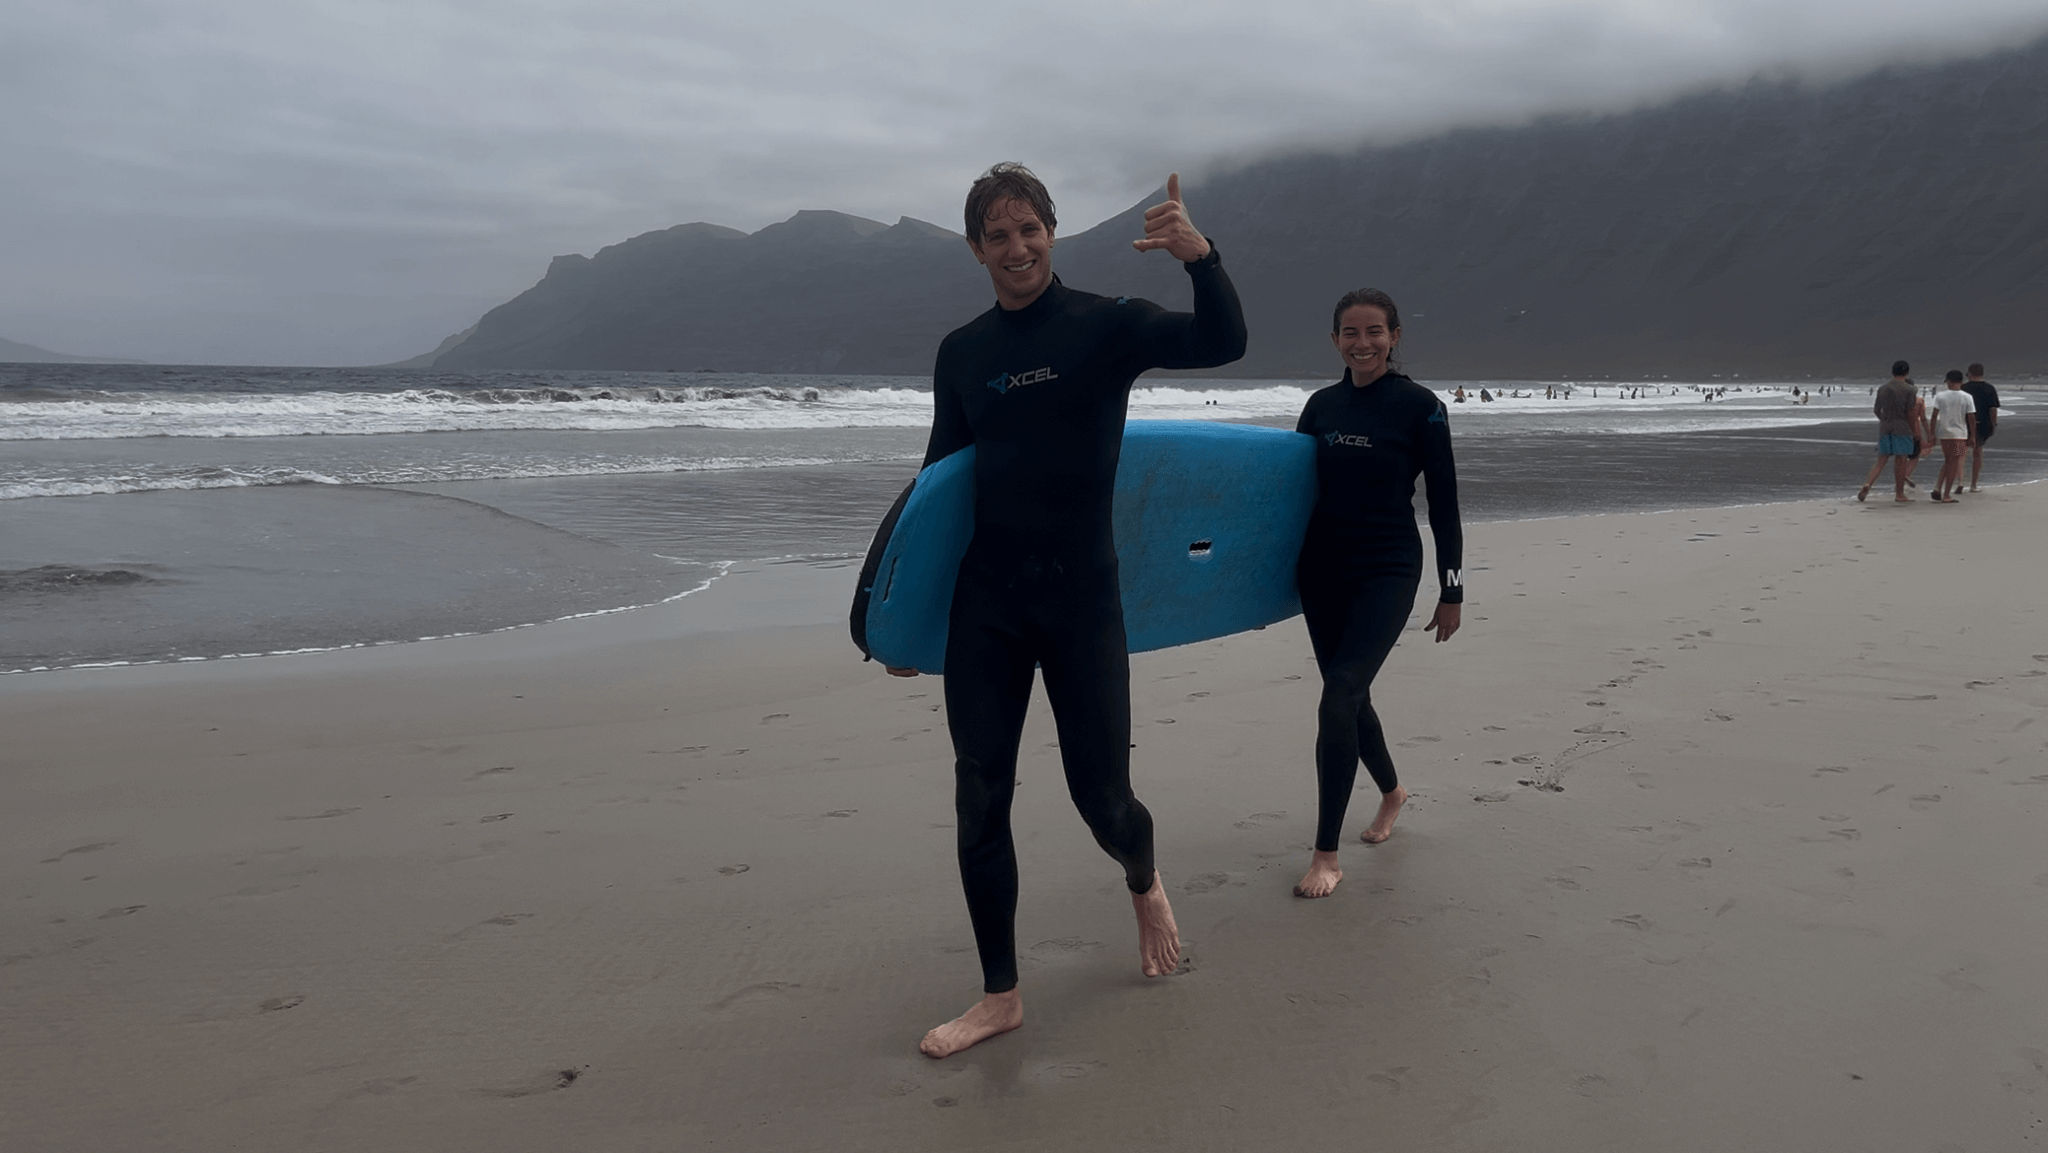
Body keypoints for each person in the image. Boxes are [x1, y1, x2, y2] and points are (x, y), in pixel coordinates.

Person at [894, 163, 1247, 1058]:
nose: (1017, 248)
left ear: (1054, 230)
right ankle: (1000, 995)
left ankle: (1143, 877)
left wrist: (1199, 257)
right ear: (976, 249)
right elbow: (942, 483)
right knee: (980, 795)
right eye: (998, 235)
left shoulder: (1106, 325)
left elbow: (1223, 342)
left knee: (1103, 799)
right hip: (988, 604)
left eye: (1030, 229)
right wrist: (905, 614)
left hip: (1082, 598)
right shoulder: (962, 352)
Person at [1289, 288, 1463, 899]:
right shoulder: (1320, 407)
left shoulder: (1422, 408)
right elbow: (1290, 498)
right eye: (1350, 332)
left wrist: (1452, 589)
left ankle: (1326, 856)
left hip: (1388, 567)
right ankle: (1392, 793)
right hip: (1323, 571)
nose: (1362, 343)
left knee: (1338, 695)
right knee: (1349, 695)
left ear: (1395, 336)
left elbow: (1443, 504)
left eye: (1374, 332)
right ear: (1334, 338)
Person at [1858, 361, 1923, 503]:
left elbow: (1876, 410)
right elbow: (1911, 413)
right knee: (1900, 461)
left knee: (1881, 460)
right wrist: (1915, 431)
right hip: (1903, 428)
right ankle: (1899, 494)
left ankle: (1868, 483)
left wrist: (1884, 419)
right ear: (1907, 373)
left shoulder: (1883, 388)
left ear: (1892, 372)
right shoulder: (1910, 389)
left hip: (1885, 427)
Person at [1930, 370, 1977, 503]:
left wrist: (1932, 433)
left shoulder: (1940, 396)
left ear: (1949, 382)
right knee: (1954, 463)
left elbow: (1934, 416)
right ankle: (1946, 495)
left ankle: (1938, 488)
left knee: (1948, 460)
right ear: (1961, 382)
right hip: (1960, 434)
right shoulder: (1967, 397)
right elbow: (1971, 417)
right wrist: (1973, 436)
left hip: (1944, 433)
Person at [1963, 363, 1999, 492]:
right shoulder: (1989, 388)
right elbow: (1993, 409)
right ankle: (1973, 484)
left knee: (1960, 453)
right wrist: (1993, 424)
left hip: (1963, 424)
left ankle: (1959, 481)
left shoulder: (1963, 388)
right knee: (1977, 453)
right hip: (1983, 424)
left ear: (1970, 373)